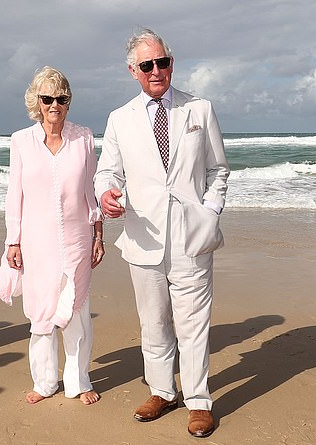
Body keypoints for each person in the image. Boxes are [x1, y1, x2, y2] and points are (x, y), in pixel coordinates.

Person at [94, 28, 230, 438]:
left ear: (172, 63)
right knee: (153, 323)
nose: (157, 71)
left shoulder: (200, 109)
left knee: (193, 324)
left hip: (193, 237)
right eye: (148, 65)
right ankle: (161, 391)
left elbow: (218, 170)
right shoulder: (120, 119)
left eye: (163, 62)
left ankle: (198, 401)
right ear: (132, 70)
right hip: (143, 237)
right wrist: (106, 195)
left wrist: (210, 212)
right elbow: (107, 172)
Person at [0, 66, 104, 406]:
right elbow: (15, 196)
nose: (55, 105)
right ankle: (45, 381)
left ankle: (79, 381)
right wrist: (12, 240)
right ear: (37, 102)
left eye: (62, 99)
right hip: (36, 242)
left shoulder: (83, 138)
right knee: (41, 313)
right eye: (48, 98)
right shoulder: (21, 141)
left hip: (78, 238)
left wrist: (98, 234)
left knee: (76, 310)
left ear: (69, 102)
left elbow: (91, 189)